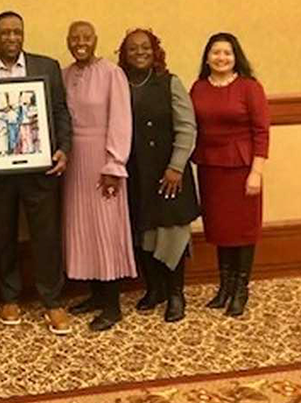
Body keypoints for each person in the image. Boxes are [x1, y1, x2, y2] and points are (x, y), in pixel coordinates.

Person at [0, 11, 73, 335]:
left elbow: (59, 112)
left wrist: (64, 149)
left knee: (46, 236)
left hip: (40, 169)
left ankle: (52, 301)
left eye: (17, 32)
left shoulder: (47, 66)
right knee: (4, 234)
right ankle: (9, 296)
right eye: (6, 33)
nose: (12, 38)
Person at [117, 28, 201, 323]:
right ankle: (154, 289)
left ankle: (176, 294)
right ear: (123, 55)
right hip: (135, 172)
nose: (139, 53)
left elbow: (187, 127)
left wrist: (177, 166)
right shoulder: (118, 84)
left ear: (155, 51)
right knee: (143, 232)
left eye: (145, 47)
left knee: (171, 232)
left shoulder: (170, 82)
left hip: (168, 172)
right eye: (132, 49)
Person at [62, 21, 136, 332]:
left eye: (86, 37)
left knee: (106, 229)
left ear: (96, 40)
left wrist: (114, 164)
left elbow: (121, 120)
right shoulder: (65, 74)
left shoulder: (111, 74)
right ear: (68, 42)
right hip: (74, 161)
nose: (80, 43)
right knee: (83, 229)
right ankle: (94, 294)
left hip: (102, 161)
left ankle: (112, 305)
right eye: (74, 38)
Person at [189, 32, 270, 317]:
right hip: (211, 169)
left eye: (227, 53)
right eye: (215, 52)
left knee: (243, 230)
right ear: (207, 57)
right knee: (220, 229)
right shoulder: (198, 88)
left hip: (243, 169)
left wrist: (256, 172)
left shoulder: (250, 87)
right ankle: (224, 287)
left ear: (236, 57)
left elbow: (261, 131)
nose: (221, 58)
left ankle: (240, 289)